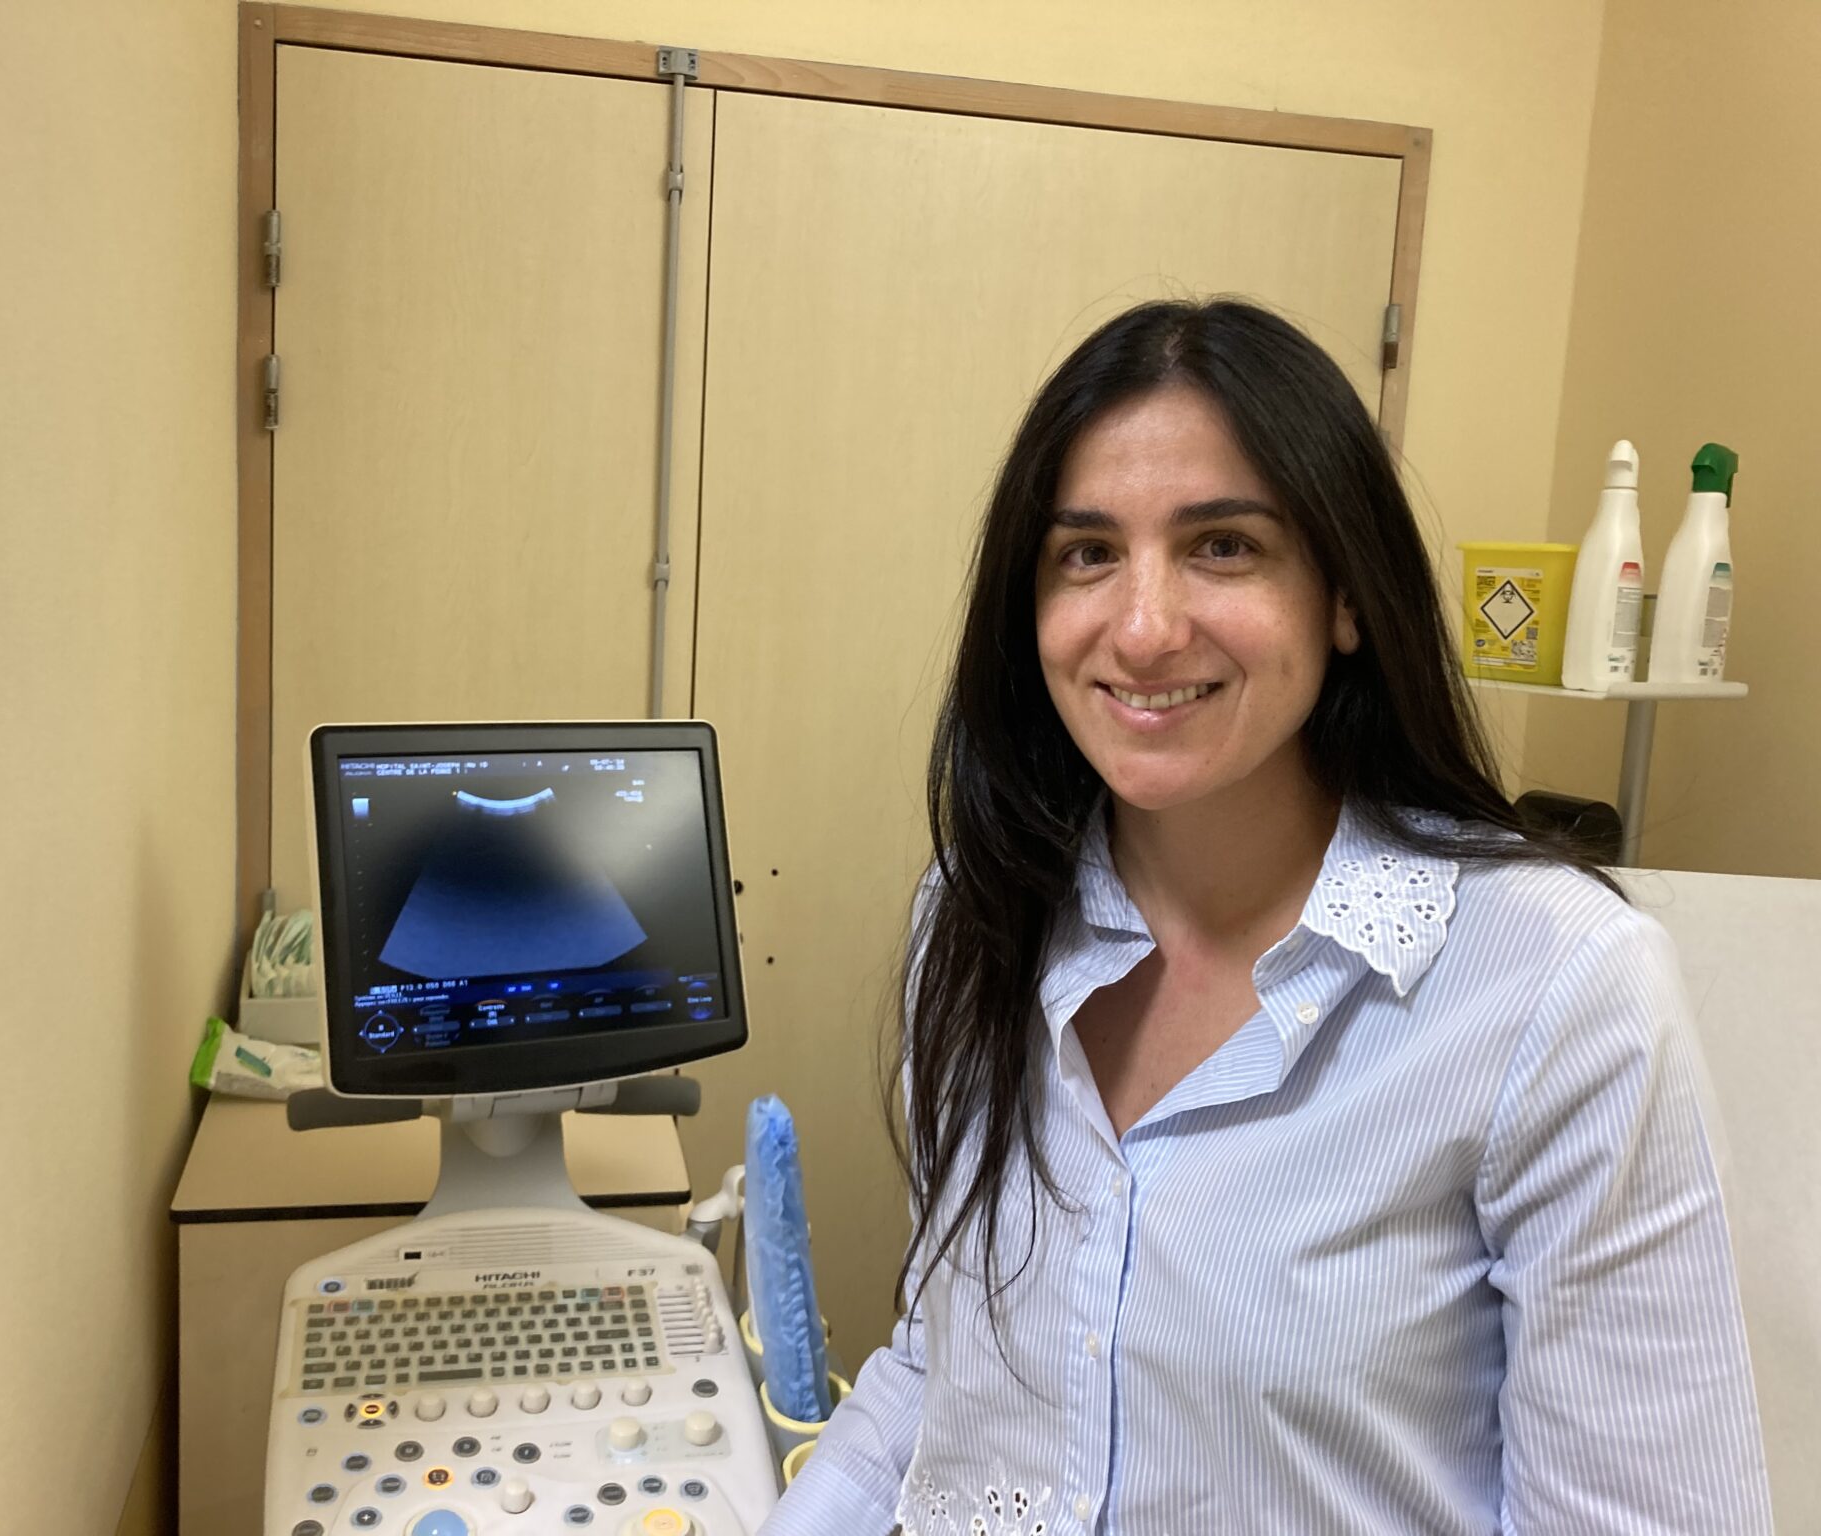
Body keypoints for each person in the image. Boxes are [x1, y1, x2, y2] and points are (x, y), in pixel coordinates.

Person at [759, 300, 1772, 1534]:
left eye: (1222, 546)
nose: (1142, 628)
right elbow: (936, 1369)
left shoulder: (1554, 990)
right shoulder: (975, 917)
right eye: (1086, 554)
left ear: (1343, 596)